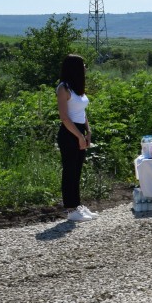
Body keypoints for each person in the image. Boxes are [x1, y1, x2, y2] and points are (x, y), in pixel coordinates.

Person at [56, 55, 98, 222]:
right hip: (69, 132)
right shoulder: (63, 88)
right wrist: (79, 135)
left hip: (80, 130)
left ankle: (77, 204)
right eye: (83, 65)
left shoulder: (77, 88)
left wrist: (88, 131)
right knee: (69, 170)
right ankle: (70, 208)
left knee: (77, 170)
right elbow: (65, 117)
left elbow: (82, 112)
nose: (85, 68)